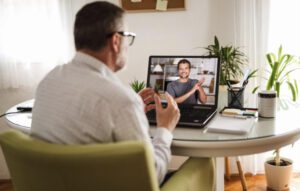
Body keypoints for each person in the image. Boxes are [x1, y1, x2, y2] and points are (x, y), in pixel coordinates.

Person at [31, 1, 180, 184]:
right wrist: (165, 128)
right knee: (203, 164)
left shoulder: (48, 81)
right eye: (129, 37)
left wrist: (131, 113)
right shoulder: (121, 100)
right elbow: (151, 176)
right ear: (116, 41)